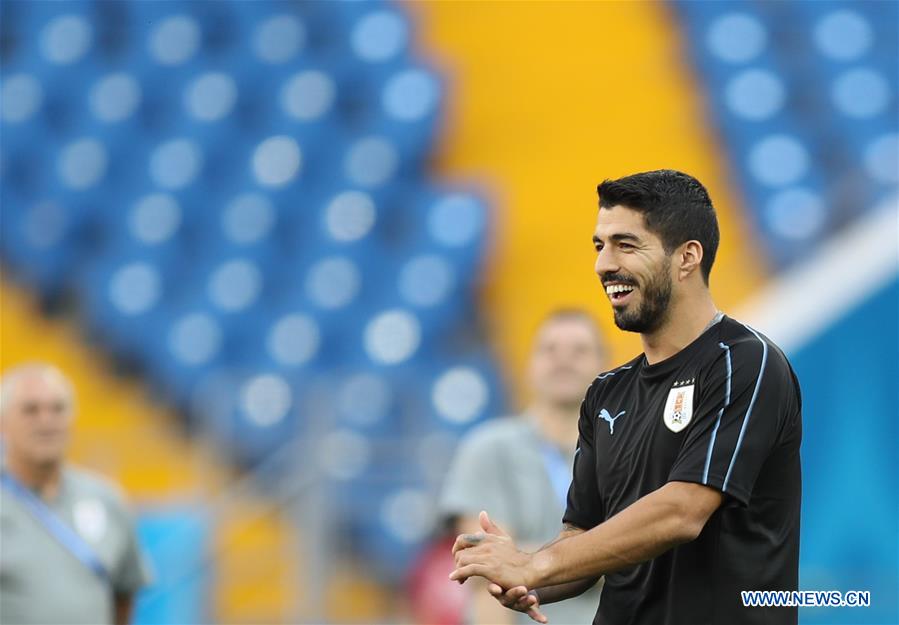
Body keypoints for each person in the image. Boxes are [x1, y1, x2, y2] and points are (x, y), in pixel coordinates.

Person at [450, 170, 802, 625]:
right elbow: (582, 538)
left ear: (687, 257)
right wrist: (520, 577)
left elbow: (682, 512)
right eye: (600, 246)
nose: (603, 264)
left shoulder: (743, 362)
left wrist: (536, 565)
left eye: (626, 245)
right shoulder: (605, 392)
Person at [440, 309, 607, 624]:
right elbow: (484, 571)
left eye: (580, 351)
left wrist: (521, 560)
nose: (563, 360)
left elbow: (652, 562)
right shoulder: (488, 448)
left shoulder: (627, 451)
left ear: (606, 369)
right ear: (529, 366)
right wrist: (606, 556)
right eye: (550, 349)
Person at [0, 363, 152, 625]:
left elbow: (124, 591)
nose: (46, 421)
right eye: (30, 410)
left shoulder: (106, 500)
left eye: (58, 409)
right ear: (3, 422)